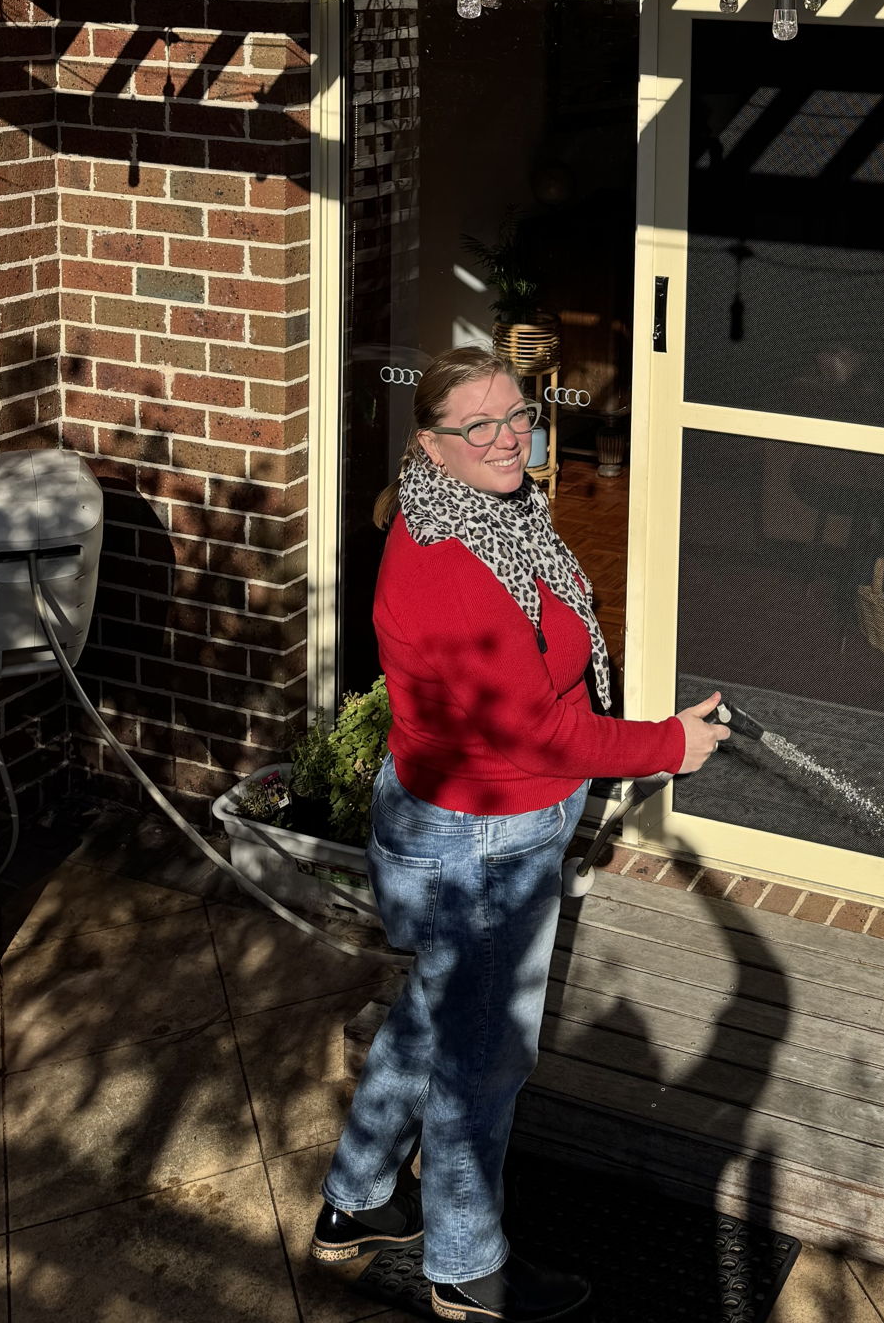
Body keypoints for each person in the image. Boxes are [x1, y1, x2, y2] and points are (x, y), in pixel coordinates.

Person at [310, 349, 729, 1321]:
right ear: (429, 443)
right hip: (482, 841)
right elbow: (536, 728)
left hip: (464, 818)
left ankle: (356, 1201)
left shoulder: (475, 514)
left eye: (518, 417)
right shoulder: (450, 565)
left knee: (432, 1015)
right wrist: (669, 743)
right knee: (481, 1059)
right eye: (478, 426)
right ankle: (464, 1266)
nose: (508, 438)